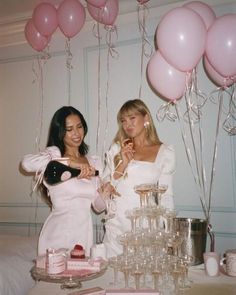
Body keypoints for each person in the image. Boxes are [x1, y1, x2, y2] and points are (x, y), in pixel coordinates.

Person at [21, 106, 112, 256]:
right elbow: (26, 163)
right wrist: (72, 163)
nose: (76, 133)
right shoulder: (54, 154)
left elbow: (98, 207)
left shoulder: (93, 162)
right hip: (58, 235)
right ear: (60, 132)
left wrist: (106, 192)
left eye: (79, 127)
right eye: (69, 129)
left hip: (84, 235)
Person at [102, 99, 176, 257]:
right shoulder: (116, 149)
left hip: (146, 228)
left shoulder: (164, 152)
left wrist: (168, 234)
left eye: (132, 118)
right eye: (123, 120)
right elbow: (106, 189)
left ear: (146, 118)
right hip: (117, 226)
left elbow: (166, 197)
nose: (127, 124)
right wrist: (122, 163)